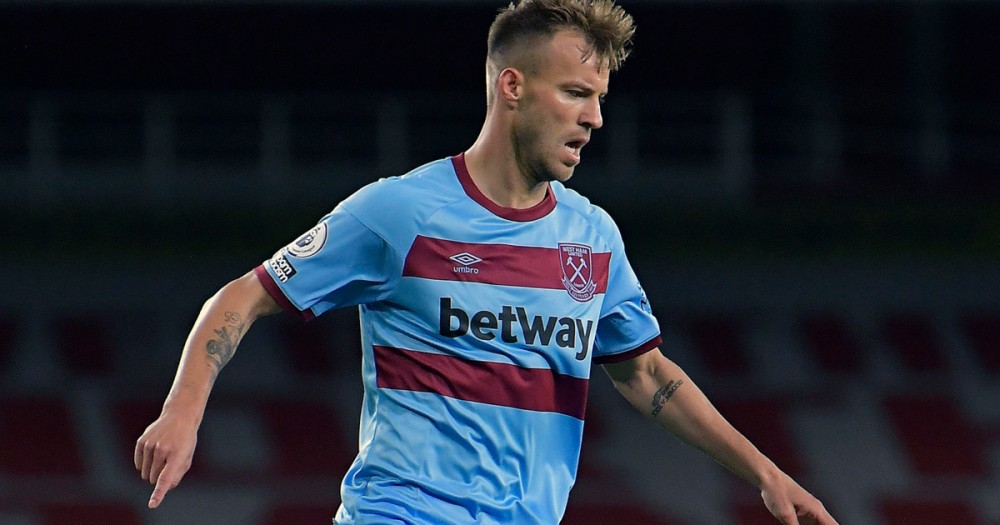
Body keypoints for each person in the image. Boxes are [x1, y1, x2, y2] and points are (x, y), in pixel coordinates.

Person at [135, 1, 839, 524]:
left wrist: (763, 471)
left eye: (598, 99)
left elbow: (647, 374)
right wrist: (182, 413)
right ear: (512, 87)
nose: (594, 118)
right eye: (576, 93)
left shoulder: (592, 238)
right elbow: (244, 295)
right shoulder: (400, 212)